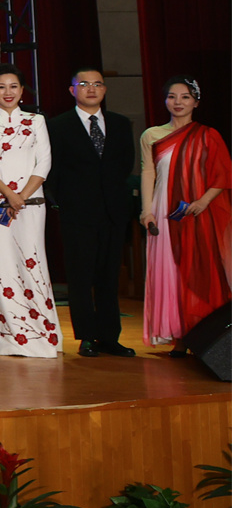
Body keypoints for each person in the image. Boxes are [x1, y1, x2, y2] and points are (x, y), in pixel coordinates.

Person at [46, 67, 136, 357]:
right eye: (84, 84)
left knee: (109, 278)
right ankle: (86, 336)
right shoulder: (58, 125)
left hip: (113, 211)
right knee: (80, 278)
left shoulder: (120, 123)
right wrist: (61, 201)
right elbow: (53, 169)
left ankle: (110, 337)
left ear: (104, 90)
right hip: (77, 213)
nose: (91, 89)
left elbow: (125, 164)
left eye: (98, 84)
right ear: (72, 90)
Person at [139, 76, 231, 351]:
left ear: (196, 102)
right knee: (170, 270)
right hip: (164, 213)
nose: (178, 102)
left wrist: (203, 201)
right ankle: (178, 337)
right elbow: (148, 172)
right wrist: (146, 211)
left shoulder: (208, 135)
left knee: (201, 270)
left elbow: (223, 174)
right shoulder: (151, 135)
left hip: (199, 213)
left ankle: (204, 338)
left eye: (185, 97)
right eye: (172, 96)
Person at [0, 65, 59, 357]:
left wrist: (21, 196)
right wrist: (10, 196)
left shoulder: (37, 121)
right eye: (1, 87)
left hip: (31, 203)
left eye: (13, 86)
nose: (7, 92)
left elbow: (44, 162)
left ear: (22, 90)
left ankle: (41, 334)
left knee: (32, 260)